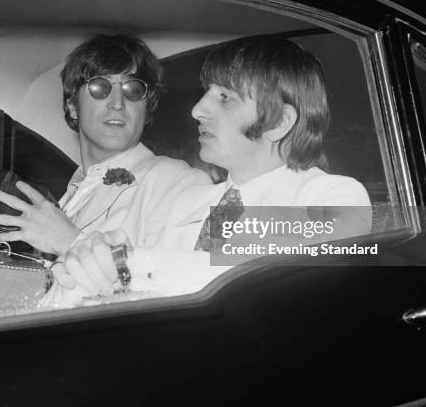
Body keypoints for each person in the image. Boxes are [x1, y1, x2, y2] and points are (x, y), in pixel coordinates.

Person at [49, 36, 372, 302]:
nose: (198, 109)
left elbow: (255, 273)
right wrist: (81, 275)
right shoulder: (189, 204)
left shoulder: (335, 197)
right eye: (206, 94)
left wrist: (126, 262)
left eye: (225, 97)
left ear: (278, 123)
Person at [0, 35, 210, 255]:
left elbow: (179, 282)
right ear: (73, 107)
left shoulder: (177, 181)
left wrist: (71, 242)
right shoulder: (71, 195)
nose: (118, 103)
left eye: (134, 90)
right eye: (100, 88)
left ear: (146, 109)